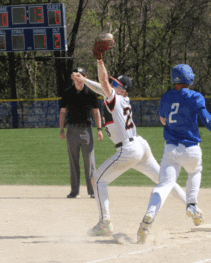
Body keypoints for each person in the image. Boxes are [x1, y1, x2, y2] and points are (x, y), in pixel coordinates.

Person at [73, 59, 190, 236]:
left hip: (128, 149)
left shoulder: (116, 99)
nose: (112, 85)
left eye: (116, 84)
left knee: (98, 180)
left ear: (122, 89)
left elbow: (103, 83)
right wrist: (85, 80)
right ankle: (192, 206)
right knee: (164, 179)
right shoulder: (122, 99)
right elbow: (101, 87)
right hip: (140, 145)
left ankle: (105, 223)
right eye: (113, 83)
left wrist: (99, 61)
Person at [136, 64, 211, 244]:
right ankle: (191, 205)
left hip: (171, 149)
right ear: (190, 79)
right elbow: (205, 117)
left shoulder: (166, 97)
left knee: (163, 185)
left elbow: (163, 120)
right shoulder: (195, 96)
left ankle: (149, 215)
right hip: (190, 148)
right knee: (194, 172)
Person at [59, 67, 103, 199]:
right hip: (71, 129)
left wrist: (99, 129)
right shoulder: (68, 92)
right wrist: (61, 128)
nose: (79, 79)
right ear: (73, 78)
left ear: (84, 77)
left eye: (81, 76)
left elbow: (96, 112)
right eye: (77, 76)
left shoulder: (91, 92)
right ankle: (74, 191)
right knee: (73, 161)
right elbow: (62, 111)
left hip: (86, 130)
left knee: (89, 162)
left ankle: (92, 191)